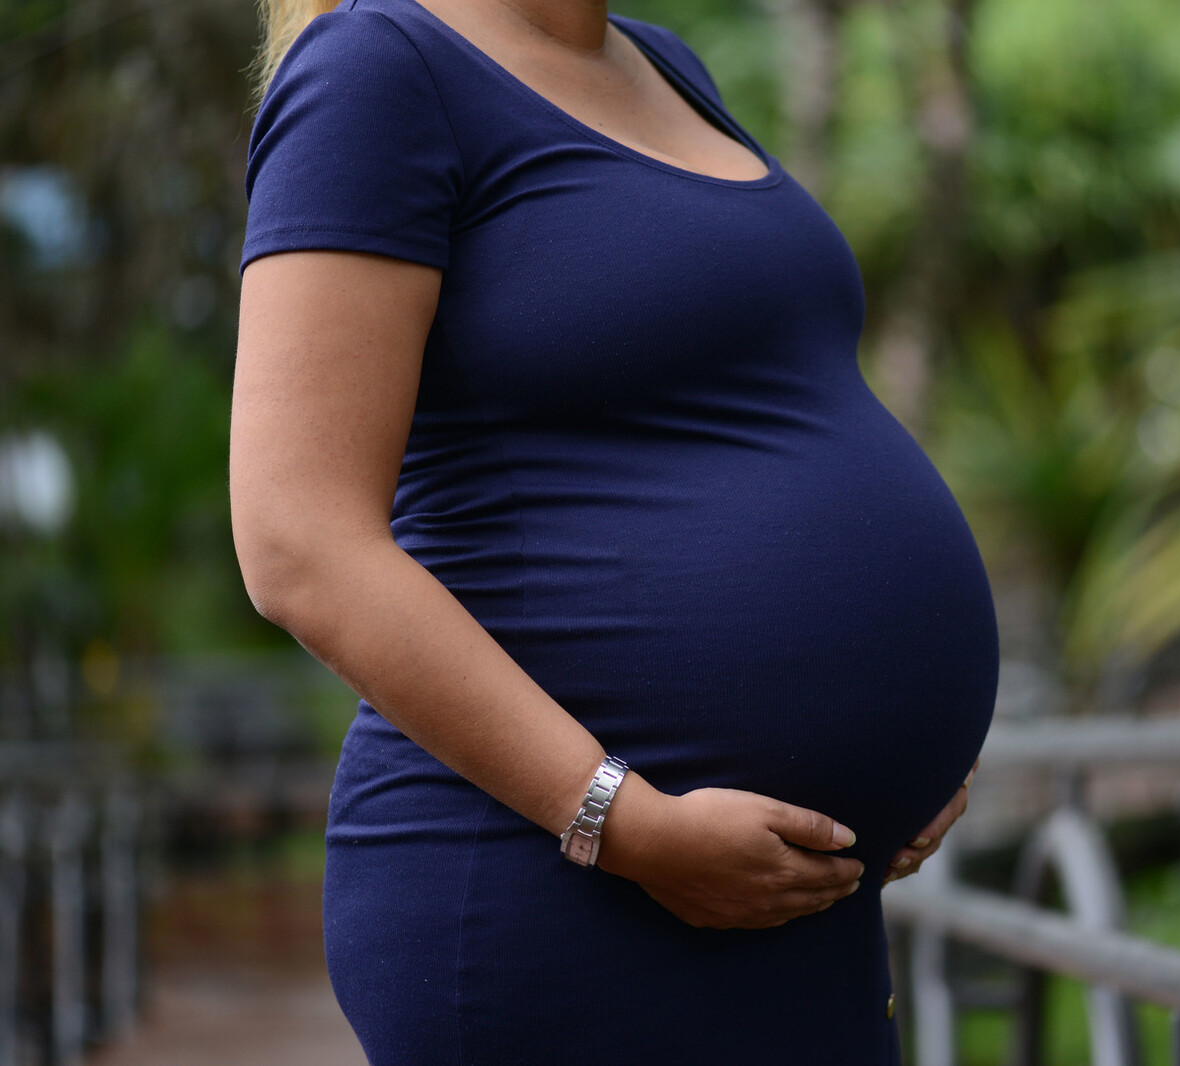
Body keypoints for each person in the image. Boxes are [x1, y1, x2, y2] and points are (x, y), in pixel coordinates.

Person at [229, 0, 998, 1061]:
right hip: (562, 903)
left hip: (793, 905)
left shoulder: (661, 60)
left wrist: (903, 748)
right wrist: (622, 822)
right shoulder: (378, 69)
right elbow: (298, 543)